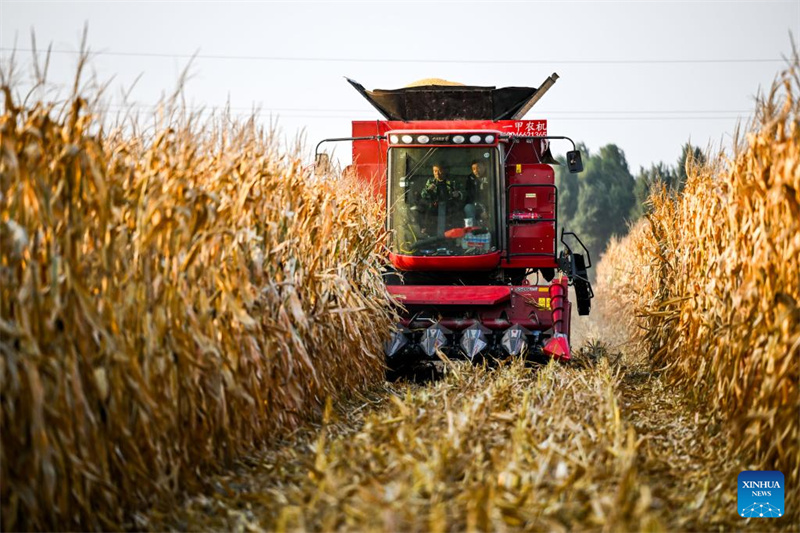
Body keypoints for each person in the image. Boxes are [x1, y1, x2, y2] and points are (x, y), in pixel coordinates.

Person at [419, 163, 462, 235]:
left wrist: (458, 194)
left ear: (445, 171)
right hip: (434, 206)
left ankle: (441, 235)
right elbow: (423, 194)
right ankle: (428, 233)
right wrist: (428, 190)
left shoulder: (452, 181)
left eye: (439, 171)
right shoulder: (431, 181)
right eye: (435, 171)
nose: (437, 173)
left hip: (450, 205)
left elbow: (462, 192)